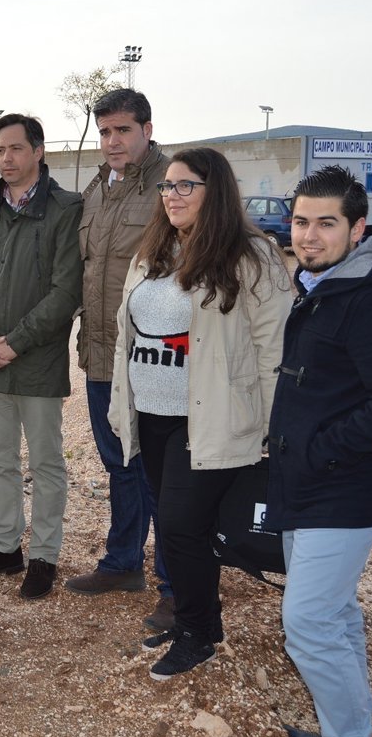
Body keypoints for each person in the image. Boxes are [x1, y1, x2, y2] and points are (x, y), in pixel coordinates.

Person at [108, 147, 290, 680]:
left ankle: (198, 632)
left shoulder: (251, 257)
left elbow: (274, 349)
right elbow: (127, 335)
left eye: (185, 185)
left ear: (217, 192)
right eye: (167, 186)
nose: (172, 195)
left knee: (182, 527)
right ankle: (198, 619)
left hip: (207, 418)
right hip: (152, 414)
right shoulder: (155, 251)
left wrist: (273, 427)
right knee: (178, 526)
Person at [269, 166, 372, 737]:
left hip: (344, 488)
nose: (308, 236)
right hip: (306, 483)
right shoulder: (320, 283)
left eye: (325, 223)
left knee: (308, 624)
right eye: (300, 221)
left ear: (357, 229)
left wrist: (318, 449)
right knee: (333, 617)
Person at [0, 113, 82, 599]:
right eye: (0, 150)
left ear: (38, 151)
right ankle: (6, 547)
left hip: (37, 362)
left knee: (46, 463)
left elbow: (66, 291)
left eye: (16, 149)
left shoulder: (65, 208)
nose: (6, 159)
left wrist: (14, 342)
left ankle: (44, 555)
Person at [63, 89, 175, 632]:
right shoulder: (96, 190)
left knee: (162, 474)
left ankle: (176, 587)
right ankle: (123, 563)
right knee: (119, 465)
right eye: (105, 131)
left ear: (147, 130)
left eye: (123, 130)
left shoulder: (172, 186)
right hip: (101, 356)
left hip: (153, 360)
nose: (112, 141)